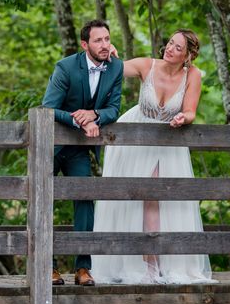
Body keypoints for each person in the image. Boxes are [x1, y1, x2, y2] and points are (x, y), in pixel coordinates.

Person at [91, 29, 214, 284]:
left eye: (178, 48)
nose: (170, 49)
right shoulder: (148, 65)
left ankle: (159, 262)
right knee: (138, 198)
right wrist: (110, 54)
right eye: (170, 43)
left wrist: (184, 117)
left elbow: (190, 110)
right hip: (135, 141)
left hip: (168, 141)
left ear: (188, 56)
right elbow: (117, 68)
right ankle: (142, 264)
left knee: (159, 198)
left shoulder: (192, 75)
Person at [42, 19, 124, 286]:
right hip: (51, 146)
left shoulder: (115, 68)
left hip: (79, 148)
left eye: (107, 39)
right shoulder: (65, 67)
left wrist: (95, 115)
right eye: (98, 40)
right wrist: (79, 120)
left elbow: (114, 108)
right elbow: (48, 109)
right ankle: (48, 268)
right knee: (45, 201)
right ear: (84, 44)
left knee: (85, 199)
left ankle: (82, 268)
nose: (104, 45)